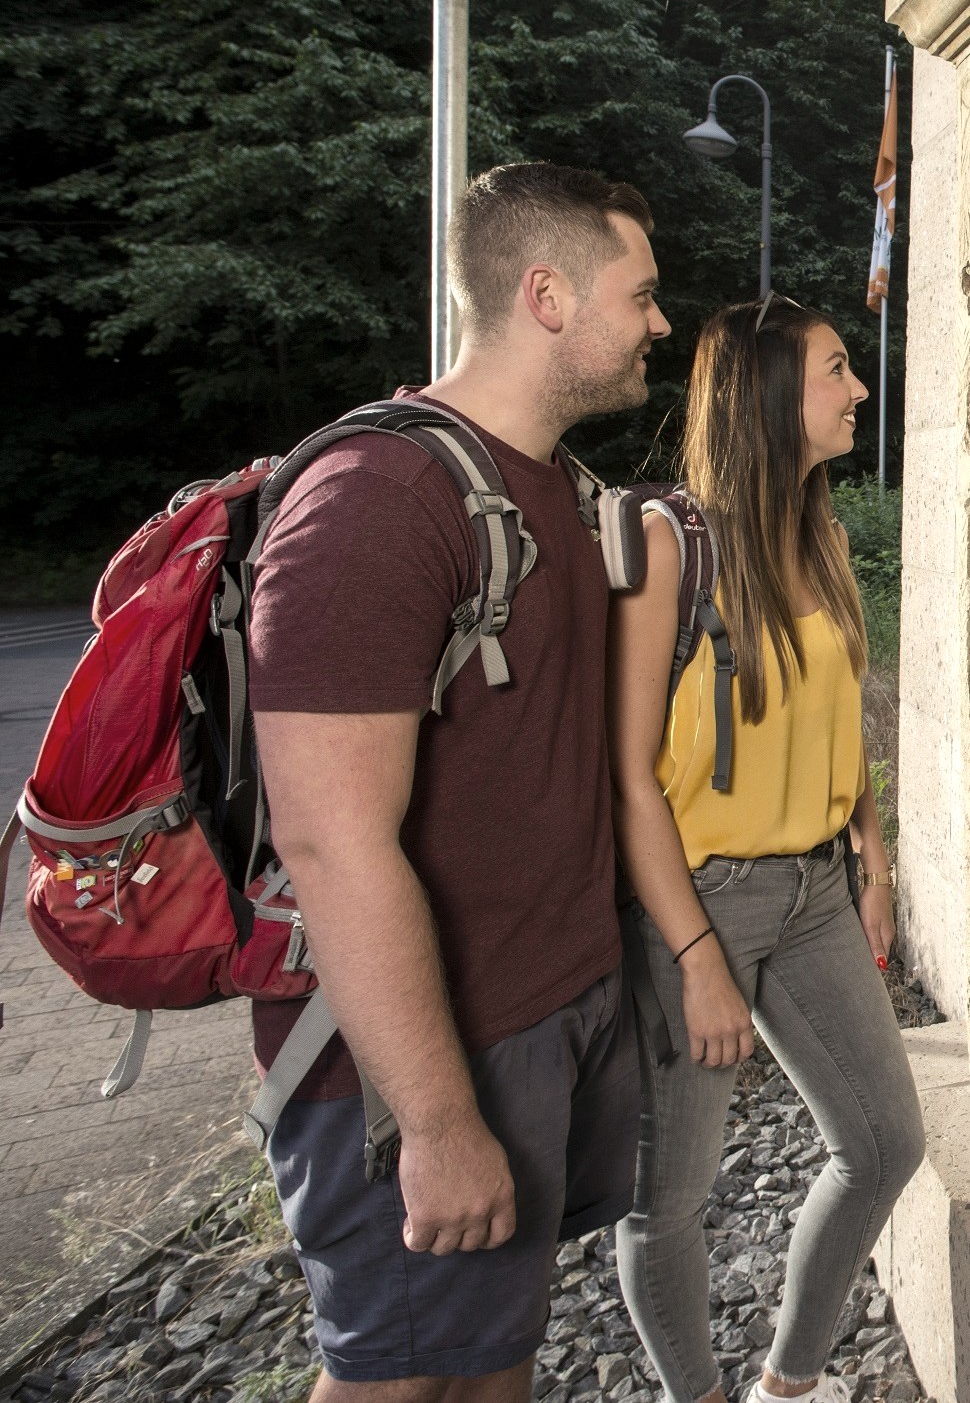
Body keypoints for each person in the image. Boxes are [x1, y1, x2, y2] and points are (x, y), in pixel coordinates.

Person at [251, 162, 670, 1403]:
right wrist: (435, 1125)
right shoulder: (377, 503)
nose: (659, 323)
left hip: (537, 1022)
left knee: (486, 1362)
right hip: (417, 1061)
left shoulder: (551, 486)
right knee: (397, 1382)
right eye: (640, 295)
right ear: (546, 295)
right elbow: (329, 843)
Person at [609, 299, 923, 1403]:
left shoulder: (820, 536)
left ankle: (788, 1387)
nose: (859, 388)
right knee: (670, 1201)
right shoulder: (670, 545)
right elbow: (628, 777)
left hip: (817, 893)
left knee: (883, 1144)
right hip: (698, 901)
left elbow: (840, 719)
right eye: (837, 369)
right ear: (767, 393)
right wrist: (696, 958)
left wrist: (873, 863)